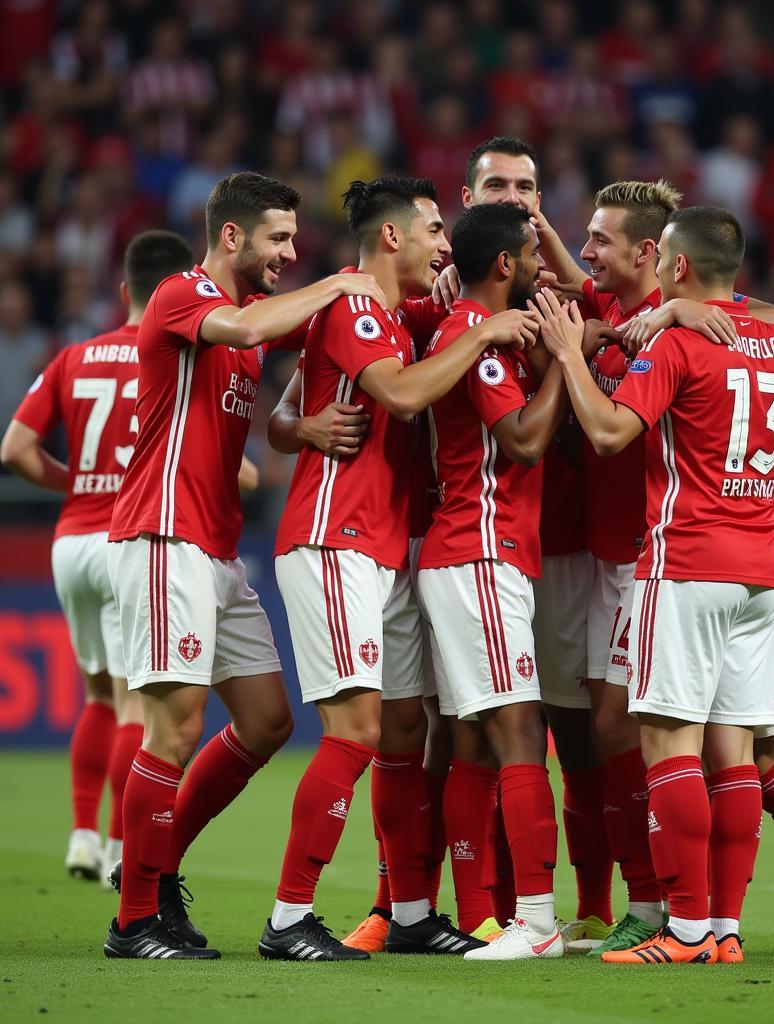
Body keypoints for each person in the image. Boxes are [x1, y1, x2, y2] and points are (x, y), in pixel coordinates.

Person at [542, 204, 774, 965]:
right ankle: (726, 932)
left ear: (674, 266)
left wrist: (570, 355)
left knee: (670, 743)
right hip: (762, 570)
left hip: (687, 562)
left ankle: (686, 928)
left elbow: (609, 434)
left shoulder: (675, 343)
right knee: (735, 752)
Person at [101, 171, 386, 960]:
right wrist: (337, 280)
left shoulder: (249, 317)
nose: (289, 254)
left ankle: (158, 870)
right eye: (279, 239)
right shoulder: (182, 295)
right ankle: (133, 921)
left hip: (217, 550)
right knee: (175, 726)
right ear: (233, 236)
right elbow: (256, 330)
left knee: (266, 719)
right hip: (163, 538)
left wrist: (304, 421)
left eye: (297, 241)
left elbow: (325, 337)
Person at [266, 176, 537, 961]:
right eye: (432, 231)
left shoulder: (397, 312)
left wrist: (299, 424)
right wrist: (482, 336)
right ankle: (289, 918)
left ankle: (413, 912)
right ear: (393, 237)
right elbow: (405, 396)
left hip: (385, 549)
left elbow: (290, 408)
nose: (444, 245)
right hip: (333, 539)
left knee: (402, 732)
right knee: (356, 731)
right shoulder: (354, 304)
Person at [2, 230, 194, 886]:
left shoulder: (73, 356)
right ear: (179, 289)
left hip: (68, 542)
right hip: (126, 541)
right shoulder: (171, 353)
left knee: (96, 692)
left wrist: (73, 481)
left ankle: (83, 835)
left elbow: (14, 450)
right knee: (135, 702)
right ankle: (118, 850)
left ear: (124, 289)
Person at [417, 202, 571, 961]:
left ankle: (485, 917)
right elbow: (523, 441)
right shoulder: (477, 342)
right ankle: (536, 922)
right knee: (519, 731)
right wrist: (569, 364)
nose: (544, 268)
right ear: (506, 264)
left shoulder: (489, 337)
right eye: (534, 255)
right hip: (479, 552)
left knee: (476, 740)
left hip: (475, 554)